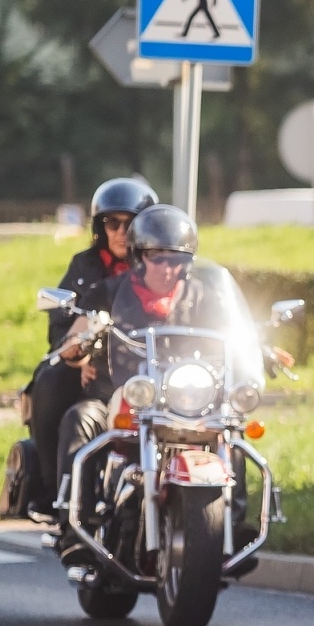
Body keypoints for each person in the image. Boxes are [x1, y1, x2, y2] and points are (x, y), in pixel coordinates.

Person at [54, 205, 201, 562]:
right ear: (139, 257)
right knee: (81, 419)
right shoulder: (107, 292)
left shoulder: (200, 295)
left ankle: (234, 519)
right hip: (116, 394)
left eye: (176, 260)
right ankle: (75, 527)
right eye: (157, 258)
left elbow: (231, 330)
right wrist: (78, 344)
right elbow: (72, 341)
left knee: (230, 429)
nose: (168, 268)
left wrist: (257, 347)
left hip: (183, 400)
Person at [27, 177, 157, 514]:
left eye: (130, 224)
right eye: (112, 223)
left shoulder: (160, 267)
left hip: (146, 362)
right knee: (51, 381)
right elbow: (60, 324)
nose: (121, 231)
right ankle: (52, 489)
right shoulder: (84, 266)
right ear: (101, 226)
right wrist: (78, 354)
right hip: (89, 359)